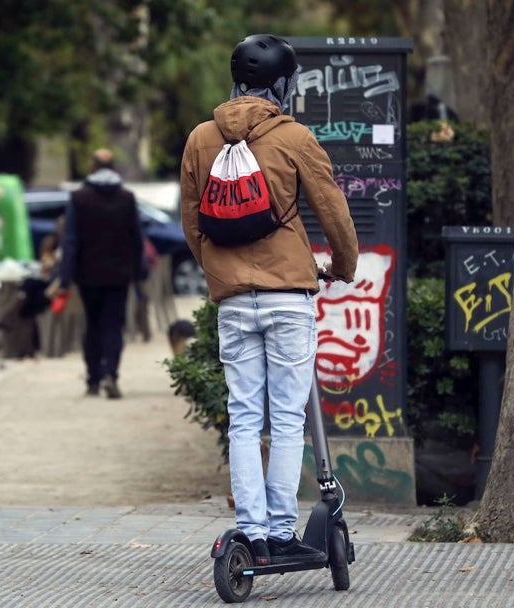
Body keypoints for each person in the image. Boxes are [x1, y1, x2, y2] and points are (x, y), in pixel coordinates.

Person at [179, 34, 358, 566]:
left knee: (241, 417)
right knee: (285, 417)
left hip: (234, 299)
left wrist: (219, 269)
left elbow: (193, 223)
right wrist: (342, 267)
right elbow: (334, 213)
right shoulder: (294, 137)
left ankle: (249, 530)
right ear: (283, 85)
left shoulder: (200, 139)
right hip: (289, 294)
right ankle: (281, 531)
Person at [58, 149, 147, 399]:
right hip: (119, 274)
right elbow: (136, 238)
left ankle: (93, 379)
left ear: (92, 168)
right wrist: (140, 272)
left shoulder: (79, 198)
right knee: (114, 326)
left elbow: (71, 240)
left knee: (93, 325)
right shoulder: (126, 197)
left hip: (88, 274)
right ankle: (111, 374)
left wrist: (65, 277)